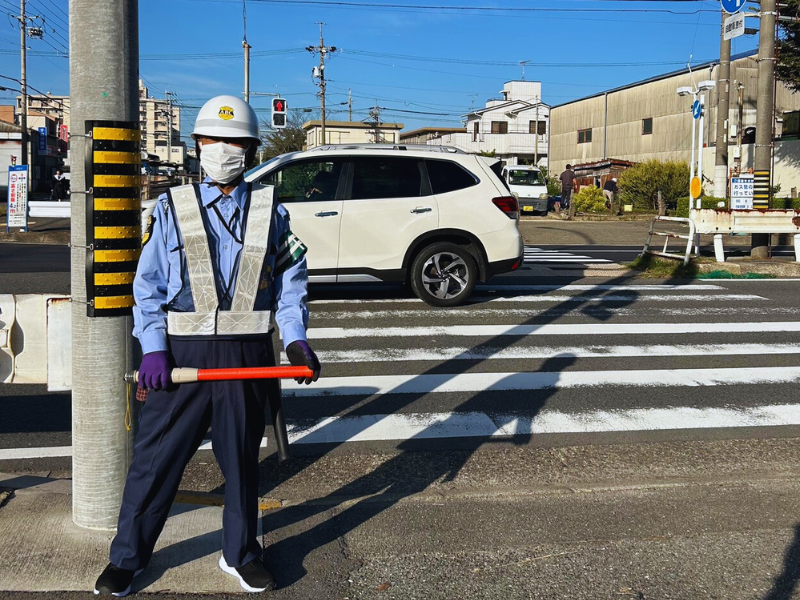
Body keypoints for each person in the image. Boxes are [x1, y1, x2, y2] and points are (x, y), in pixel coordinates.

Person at [93, 95, 321, 597]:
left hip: (246, 356)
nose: (223, 149)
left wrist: (296, 341)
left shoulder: (272, 211)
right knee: (155, 462)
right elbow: (148, 286)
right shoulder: (170, 207)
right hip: (180, 358)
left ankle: (240, 553)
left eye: (235, 142)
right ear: (197, 145)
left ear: (252, 150)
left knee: (241, 462)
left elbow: (291, 284)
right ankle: (127, 558)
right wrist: (153, 348)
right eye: (213, 140)